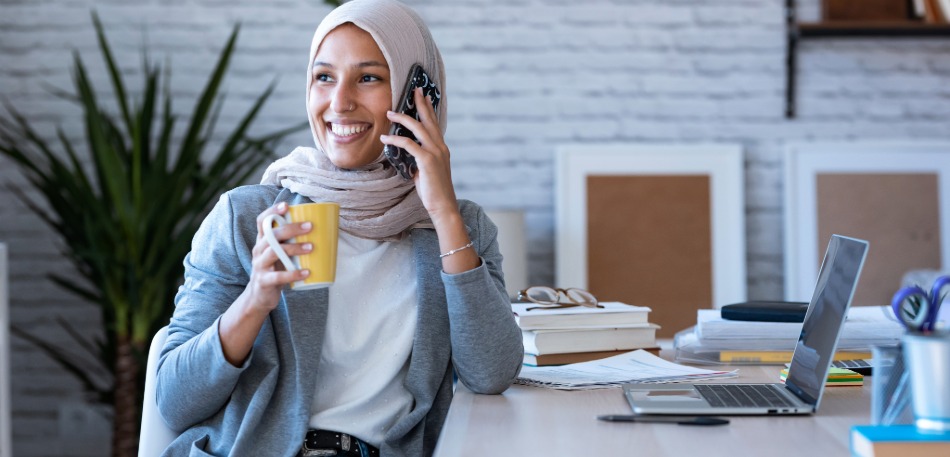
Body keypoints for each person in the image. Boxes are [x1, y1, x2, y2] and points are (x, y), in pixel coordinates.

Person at [154, 1, 524, 456]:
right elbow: (174, 402)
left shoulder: (460, 230)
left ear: (417, 97)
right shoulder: (244, 218)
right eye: (324, 77)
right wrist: (255, 301)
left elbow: (492, 373)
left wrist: (444, 212)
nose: (339, 102)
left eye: (369, 77)